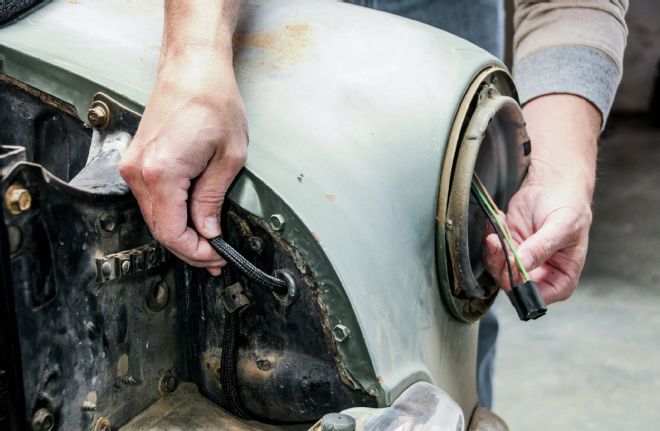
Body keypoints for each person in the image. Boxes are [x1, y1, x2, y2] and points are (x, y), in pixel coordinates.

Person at [118, 0, 628, 409]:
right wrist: (195, 52)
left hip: (441, 19)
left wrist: (559, 168)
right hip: (247, 17)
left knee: (454, 287)